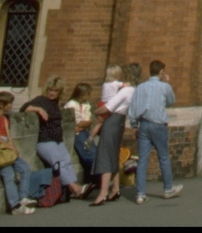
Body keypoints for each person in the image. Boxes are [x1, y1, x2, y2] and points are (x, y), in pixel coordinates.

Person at [127, 58, 183, 204]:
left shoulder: (140, 87)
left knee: (142, 160)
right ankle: (168, 188)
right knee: (163, 157)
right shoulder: (164, 87)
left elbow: (132, 109)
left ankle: (140, 194)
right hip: (158, 124)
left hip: (143, 124)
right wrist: (167, 82)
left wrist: (134, 126)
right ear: (161, 72)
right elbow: (171, 101)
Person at [0, 92, 52, 215]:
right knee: (9, 176)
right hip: (2, 149)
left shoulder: (6, 118)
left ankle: (23, 197)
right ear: (1, 104)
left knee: (25, 168)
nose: (11, 106)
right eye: (9, 103)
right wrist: (11, 147)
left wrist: (14, 147)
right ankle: (15, 206)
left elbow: (9, 135)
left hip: (8, 147)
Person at [24, 77, 79, 199]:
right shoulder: (41, 100)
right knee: (58, 163)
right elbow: (24, 108)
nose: (52, 93)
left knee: (67, 162)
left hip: (58, 140)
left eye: (55, 91)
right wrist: (38, 109)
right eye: (50, 90)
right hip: (45, 140)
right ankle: (75, 188)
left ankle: (72, 187)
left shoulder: (56, 103)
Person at [89, 65, 132, 205]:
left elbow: (107, 107)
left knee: (106, 153)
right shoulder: (124, 88)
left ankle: (103, 193)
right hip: (119, 120)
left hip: (112, 118)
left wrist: (96, 113)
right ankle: (115, 189)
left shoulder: (113, 86)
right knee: (113, 154)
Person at [66, 82, 96, 196]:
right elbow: (75, 122)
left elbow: (88, 120)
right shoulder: (71, 104)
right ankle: (94, 176)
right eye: (88, 94)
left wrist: (84, 124)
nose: (89, 96)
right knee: (87, 151)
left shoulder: (87, 105)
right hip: (77, 134)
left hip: (83, 131)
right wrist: (84, 124)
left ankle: (93, 176)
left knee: (93, 148)